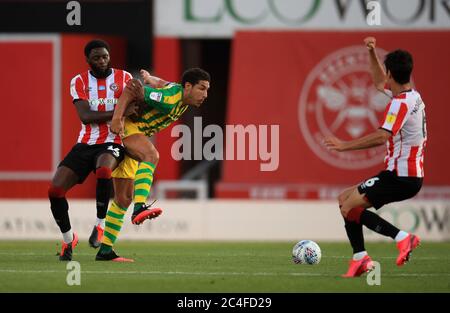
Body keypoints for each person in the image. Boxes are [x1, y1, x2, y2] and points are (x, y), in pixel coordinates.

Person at [324, 37, 426, 277]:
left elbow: (381, 137)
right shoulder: (413, 96)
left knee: (349, 207)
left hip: (400, 175)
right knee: (344, 200)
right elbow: (380, 81)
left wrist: (343, 145)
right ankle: (360, 258)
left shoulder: (400, 104)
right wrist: (371, 52)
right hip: (406, 174)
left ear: (391, 73)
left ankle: (403, 238)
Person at [95, 68, 211, 262]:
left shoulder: (177, 94)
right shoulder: (170, 100)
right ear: (188, 87)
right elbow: (132, 88)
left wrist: (150, 78)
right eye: (202, 89)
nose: (205, 95)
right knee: (151, 154)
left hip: (135, 134)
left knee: (123, 198)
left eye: (207, 90)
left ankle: (105, 250)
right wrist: (116, 118)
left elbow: (162, 83)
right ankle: (140, 207)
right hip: (126, 128)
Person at [49, 39, 137, 261]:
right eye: (97, 57)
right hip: (86, 143)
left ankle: (100, 225)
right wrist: (119, 112)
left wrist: (125, 114)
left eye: (105, 56)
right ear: (88, 60)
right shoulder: (78, 81)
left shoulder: (124, 78)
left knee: (104, 170)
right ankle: (69, 239)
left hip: (113, 141)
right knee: (55, 191)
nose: (102, 61)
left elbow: (138, 105)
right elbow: (86, 117)